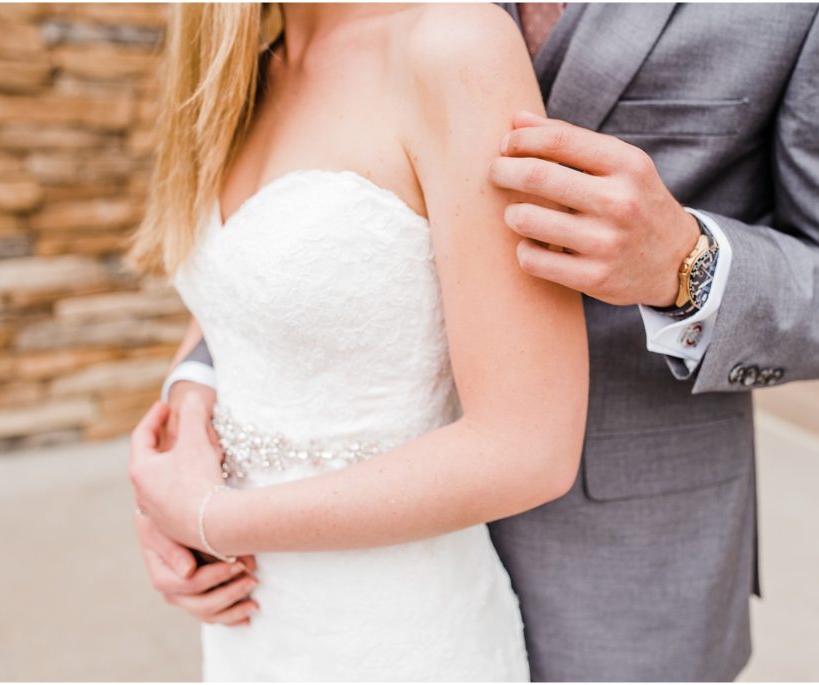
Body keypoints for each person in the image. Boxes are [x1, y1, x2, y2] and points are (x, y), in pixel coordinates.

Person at [135, 3, 819, 681]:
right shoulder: (288, 38)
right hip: (318, 568)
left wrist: (687, 266)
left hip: (622, 573)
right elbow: (305, 255)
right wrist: (192, 435)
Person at [127, 3, 589, 680]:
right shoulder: (239, 64)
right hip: (249, 624)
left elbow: (530, 447)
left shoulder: (455, 46)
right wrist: (182, 430)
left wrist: (213, 518)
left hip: (399, 630)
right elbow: (235, 294)